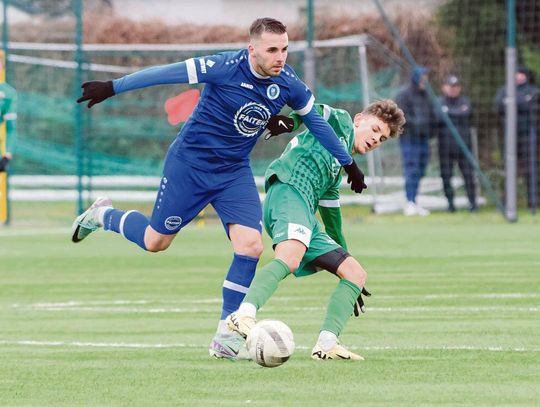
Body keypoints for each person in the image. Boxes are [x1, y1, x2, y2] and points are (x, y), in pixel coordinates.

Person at [72, 17, 367, 360]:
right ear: (252, 49)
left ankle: (226, 335)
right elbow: (166, 73)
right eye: (272, 49)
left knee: (252, 246)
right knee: (156, 242)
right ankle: (103, 215)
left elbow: (316, 121)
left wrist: (348, 163)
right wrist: (113, 86)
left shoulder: (288, 84)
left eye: (285, 49)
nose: (280, 57)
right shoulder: (224, 66)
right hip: (190, 166)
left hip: (233, 173)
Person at [226, 100, 406, 361]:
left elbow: (333, 223)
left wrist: (344, 267)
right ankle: (242, 314)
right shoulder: (342, 121)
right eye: (375, 129)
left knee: (355, 273)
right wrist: (290, 122)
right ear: (359, 119)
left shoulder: (334, 174)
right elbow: (315, 111)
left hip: (304, 213)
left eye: (382, 138)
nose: (376, 139)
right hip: (288, 190)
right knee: (289, 258)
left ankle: (327, 344)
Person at [495, 65, 540, 210]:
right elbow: (498, 106)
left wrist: (512, 102)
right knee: (508, 169)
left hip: (528, 134)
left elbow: (530, 105)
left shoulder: (534, 91)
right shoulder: (503, 90)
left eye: (521, 74)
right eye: (516, 74)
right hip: (509, 137)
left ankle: (533, 203)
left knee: (531, 169)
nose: (519, 76)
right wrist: (521, 103)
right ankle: (507, 203)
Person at [395, 65, 437, 216]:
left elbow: (433, 115)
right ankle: (409, 201)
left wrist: (431, 128)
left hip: (424, 139)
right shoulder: (403, 95)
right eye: (422, 77)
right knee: (411, 169)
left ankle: (414, 200)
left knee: (421, 169)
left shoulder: (427, 95)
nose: (425, 80)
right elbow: (400, 117)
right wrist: (417, 124)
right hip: (409, 139)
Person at [436, 75, 477, 212]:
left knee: (469, 176)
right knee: (446, 176)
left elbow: (467, 113)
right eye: (450, 86)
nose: (453, 89)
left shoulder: (465, 101)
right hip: (445, 148)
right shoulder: (438, 101)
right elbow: (438, 116)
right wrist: (457, 112)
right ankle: (450, 205)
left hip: (464, 147)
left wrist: (449, 112)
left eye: (456, 86)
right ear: (444, 87)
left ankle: (473, 204)